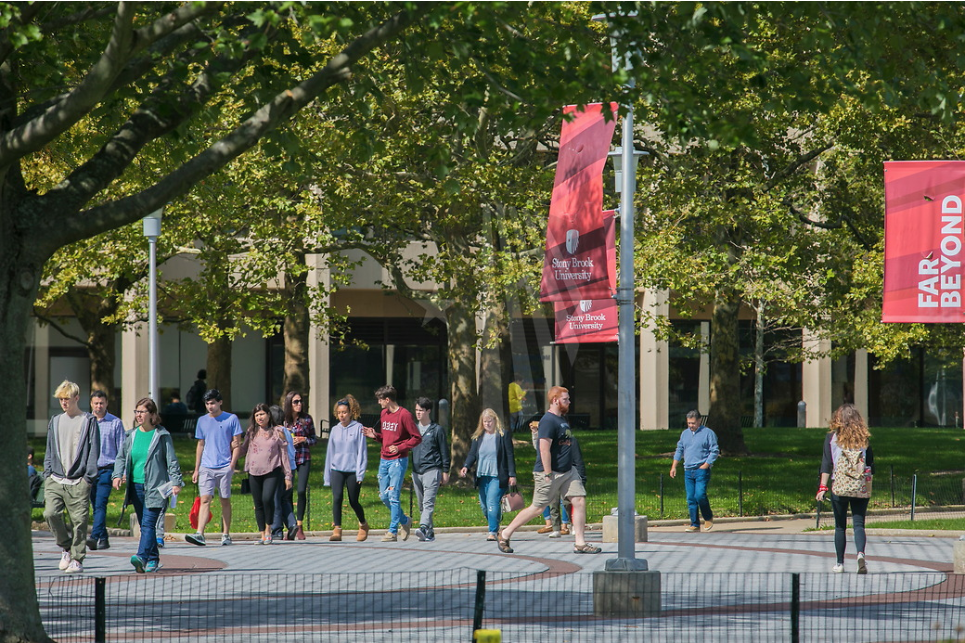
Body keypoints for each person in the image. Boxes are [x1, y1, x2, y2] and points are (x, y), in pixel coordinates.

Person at [497, 386, 600, 554]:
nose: (569, 402)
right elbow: (544, 449)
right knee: (538, 507)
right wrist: (547, 473)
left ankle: (580, 543)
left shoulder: (562, 419)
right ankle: (505, 533)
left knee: (579, 500)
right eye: (566, 399)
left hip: (568, 471)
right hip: (550, 472)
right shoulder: (548, 421)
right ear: (555, 400)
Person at [112, 398, 182, 573]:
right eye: (136, 411)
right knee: (145, 526)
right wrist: (117, 475)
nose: (138, 415)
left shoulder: (162, 436)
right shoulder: (131, 435)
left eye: (142, 412)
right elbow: (121, 457)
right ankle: (153, 559)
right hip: (135, 487)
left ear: (152, 414)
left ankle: (141, 557)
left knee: (149, 524)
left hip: (156, 488)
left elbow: (171, 461)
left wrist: (176, 482)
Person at [43, 379, 100, 574]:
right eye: (60, 399)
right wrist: (48, 474)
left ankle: (77, 558)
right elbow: (49, 449)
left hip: (79, 480)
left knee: (79, 521)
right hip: (56, 479)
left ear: (77, 398)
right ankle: (65, 547)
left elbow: (94, 451)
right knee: (50, 513)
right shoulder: (55, 420)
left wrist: (88, 478)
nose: (64, 402)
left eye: (67, 398)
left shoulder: (88, 421)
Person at [816, 403, 875, 574]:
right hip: (859, 487)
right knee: (859, 525)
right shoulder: (864, 439)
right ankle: (860, 554)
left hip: (839, 487)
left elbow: (826, 464)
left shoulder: (832, 439)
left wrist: (822, 487)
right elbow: (870, 465)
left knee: (840, 526)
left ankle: (840, 563)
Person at [362, 385, 422, 542]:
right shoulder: (384, 413)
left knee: (394, 496)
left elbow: (416, 437)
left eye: (380, 400)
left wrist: (400, 447)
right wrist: (374, 435)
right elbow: (387, 438)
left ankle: (392, 532)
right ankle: (405, 521)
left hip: (398, 460)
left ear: (387, 400)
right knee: (384, 496)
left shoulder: (404, 415)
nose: (378, 403)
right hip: (384, 459)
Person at [186, 389, 243, 546]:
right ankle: (200, 533)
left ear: (220, 402)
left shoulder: (231, 419)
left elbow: (237, 443)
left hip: (224, 466)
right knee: (205, 499)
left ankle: (225, 534)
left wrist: (232, 464)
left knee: (224, 500)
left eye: (212, 403)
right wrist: (197, 469)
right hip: (206, 466)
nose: (210, 406)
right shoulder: (202, 421)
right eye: (207, 403)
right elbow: (200, 444)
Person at [459, 409, 517, 541]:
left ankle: (493, 531)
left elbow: (509, 455)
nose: (487, 424)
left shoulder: (503, 435)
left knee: (492, 501)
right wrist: (466, 466)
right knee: (484, 506)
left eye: (489, 421)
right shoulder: (478, 437)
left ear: (495, 421)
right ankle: (495, 521)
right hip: (482, 475)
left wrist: (512, 475)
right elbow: (472, 454)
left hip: (497, 475)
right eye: (485, 422)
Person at [240, 403, 292, 545]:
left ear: (269, 415)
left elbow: (284, 454)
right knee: (258, 503)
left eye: (262, 414)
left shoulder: (277, 431)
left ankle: (269, 529)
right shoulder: (252, 432)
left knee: (267, 498)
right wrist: (231, 452)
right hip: (253, 471)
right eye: (257, 415)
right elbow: (243, 449)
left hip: (272, 470)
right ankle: (262, 533)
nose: (259, 417)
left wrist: (288, 476)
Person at [324, 395, 369, 542]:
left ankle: (363, 524)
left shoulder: (358, 428)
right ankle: (337, 529)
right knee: (337, 498)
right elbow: (330, 453)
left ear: (350, 413)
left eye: (344, 412)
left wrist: (360, 473)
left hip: (352, 470)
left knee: (353, 501)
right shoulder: (335, 430)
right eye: (339, 413)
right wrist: (327, 476)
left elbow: (362, 452)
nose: (342, 415)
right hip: (337, 469)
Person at [87, 390, 125, 552]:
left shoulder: (115, 423)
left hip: (107, 469)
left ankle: (94, 537)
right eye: (96, 403)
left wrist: (121, 473)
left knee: (101, 503)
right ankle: (104, 538)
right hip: (89, 471)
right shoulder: (86, 422)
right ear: (91, 404)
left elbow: (122, 450)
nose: (98, 406)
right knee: (95, 505)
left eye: (101, 403)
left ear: (107, 403)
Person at [670, 409, 720, 533]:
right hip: (688, 470)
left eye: (693, 423)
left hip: (701, 469)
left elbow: (714, 450)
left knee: (700, 494)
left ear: (699, 421)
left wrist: (706, 464)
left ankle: (708, 517)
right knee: (691, 498)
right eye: (689, 423)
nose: (691, 426)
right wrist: (674, 466)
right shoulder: (684, 434)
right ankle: (695, 524)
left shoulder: (708, 433)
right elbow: (679, 450)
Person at [410, 397, 450, 542]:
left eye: (421, 410)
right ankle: (430, 532)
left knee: (428, 503)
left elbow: (444, 451)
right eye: (416, 410)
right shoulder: (413, 429)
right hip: (416, 471)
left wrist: (445, 471)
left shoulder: (437, 430)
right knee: (421, 505)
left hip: (432, 470)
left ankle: (422, 528)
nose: (418, 413)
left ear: (428, 411)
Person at [284, 390, 317, 540]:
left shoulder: (307, 419)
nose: (299, 404)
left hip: (303, 457)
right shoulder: (284, 420)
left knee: (302, 490)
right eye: (295, 402)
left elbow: (314, 439)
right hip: (288, 460)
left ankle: (300, 524)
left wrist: (303, 439)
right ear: (289, 404)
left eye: (300, 401)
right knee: (287, 492)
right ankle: (290, 526)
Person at [270, 404, 298, 541]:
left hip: (280, 469)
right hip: (292, 467)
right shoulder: (287, 431)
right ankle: (292, 524)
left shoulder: (275, 432)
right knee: (285, 498)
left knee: (275, 499)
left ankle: (277, 530)